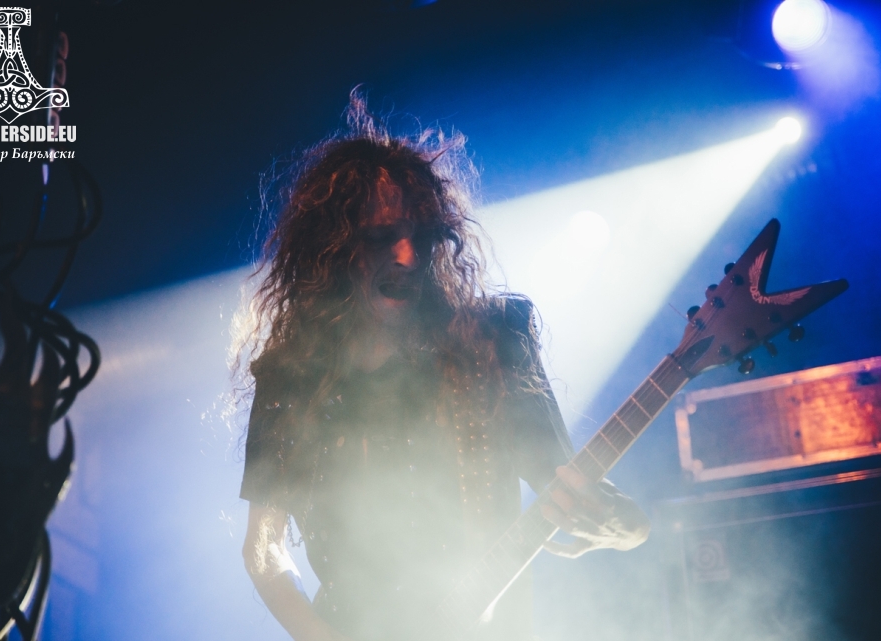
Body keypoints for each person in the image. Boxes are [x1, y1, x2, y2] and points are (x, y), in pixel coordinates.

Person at [237, 92, 649, 641]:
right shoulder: (293, 373)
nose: (408, 257)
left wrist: (627, 526)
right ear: (332, 249)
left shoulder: (494, 342)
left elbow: (570, 489)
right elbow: (264, 548)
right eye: (381, 236)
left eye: (424, 237)